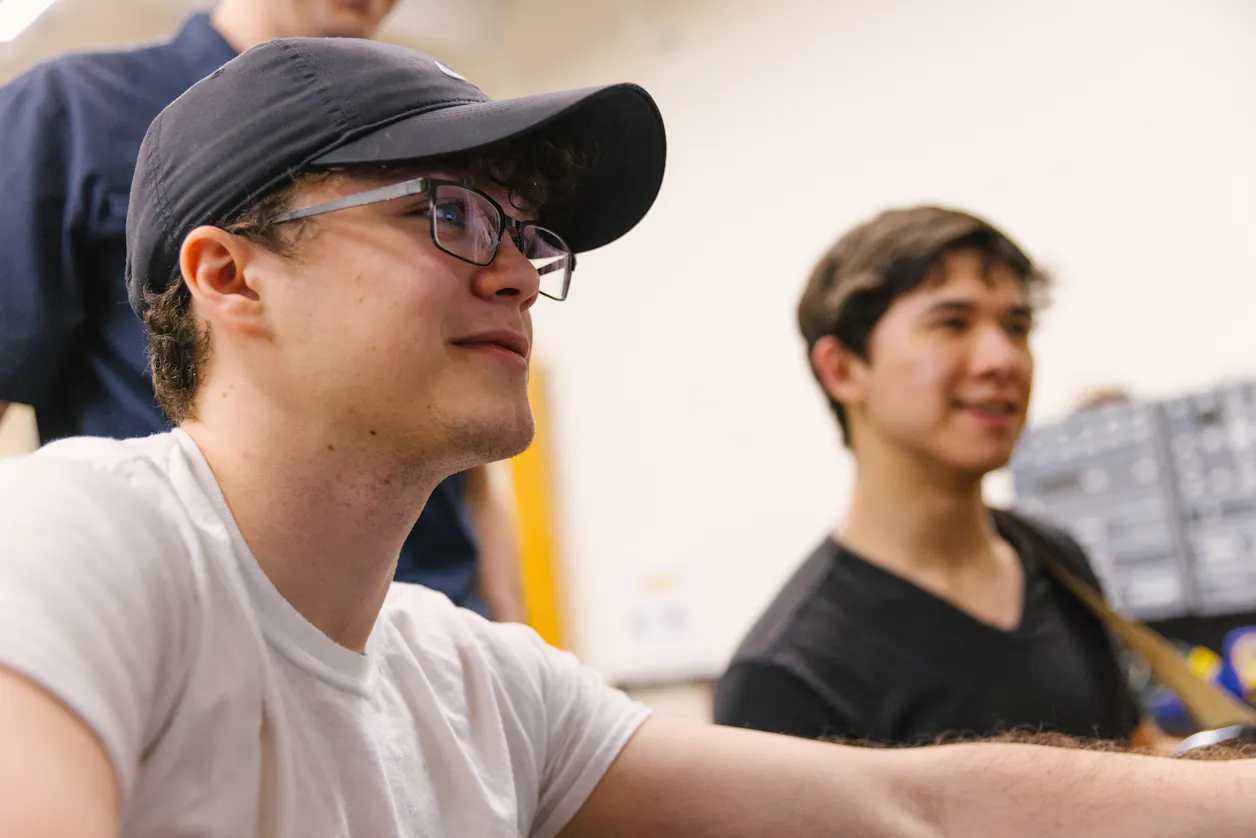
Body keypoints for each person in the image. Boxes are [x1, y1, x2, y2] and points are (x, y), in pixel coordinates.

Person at [1, 38, 1252, 838]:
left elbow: (907, 802)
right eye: (448, 213)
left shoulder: (482, 685)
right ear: (228, 275)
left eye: (526, 238)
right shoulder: (85, 540)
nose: (515, 278)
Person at [0, 0, 525, 621]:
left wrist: (509, 638)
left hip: (433, 629)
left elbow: (473, 463)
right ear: (222, 273)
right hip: (184, 618)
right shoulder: (75, 112)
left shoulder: (439, 128)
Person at [714, 206, 1176, 751]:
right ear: (842, 370)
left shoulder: (1052, 557)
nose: (1003, 358)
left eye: (1017, 326)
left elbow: (1136, 751)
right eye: (952, 323)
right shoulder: (785, 676)